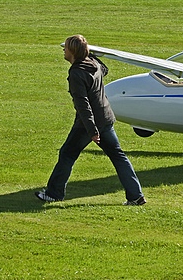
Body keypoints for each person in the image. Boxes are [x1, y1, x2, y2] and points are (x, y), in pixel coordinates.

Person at [36, 35, 145, 205]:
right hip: (106, 118)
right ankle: (136, 196)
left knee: (67, 154)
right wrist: (90, 54)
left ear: (72, 51)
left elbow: (83, 105)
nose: (63, 50)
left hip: (88, 124)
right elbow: (104, 69)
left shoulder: (76, 73)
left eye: (65, 48)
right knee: (118, 156)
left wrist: (92, 131)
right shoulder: (94, 65)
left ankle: (54, 193)